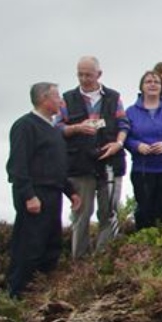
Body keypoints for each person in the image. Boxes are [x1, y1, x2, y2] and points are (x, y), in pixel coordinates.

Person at [7, 82, 82, 298]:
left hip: (53, 194)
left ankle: (42, 295)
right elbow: (17, 166)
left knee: (51, 246)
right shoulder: (25, 126)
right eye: (57, 97)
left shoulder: (53, 129)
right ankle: (17, 296)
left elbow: (58, 166)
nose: (61, 101)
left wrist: (71, 192)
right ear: (43, 99)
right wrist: (29, 195)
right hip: (34, 196)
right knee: (29, 248)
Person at [58, 56, 128, 258]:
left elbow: (124, 124)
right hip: (80, 165)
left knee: (109, 213)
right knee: (81, 215)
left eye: (88, 74)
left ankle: (101, 260)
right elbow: (57, 127)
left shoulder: (114, 97)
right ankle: (79, 262)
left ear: (99, 74)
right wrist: (77, 128)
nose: (84, 78)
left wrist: (118, 143)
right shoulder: (67, 98)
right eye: (80, 74)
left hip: (110, 164)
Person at [124, 70, 162, 230]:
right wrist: (137, 146)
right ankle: (145, 248)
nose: (152, 85)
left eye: (156, 82)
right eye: (148, 82)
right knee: (145, 210)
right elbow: (125, 136)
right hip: (143, 169)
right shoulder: (131, 112)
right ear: (142, 87)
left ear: (161, 87)